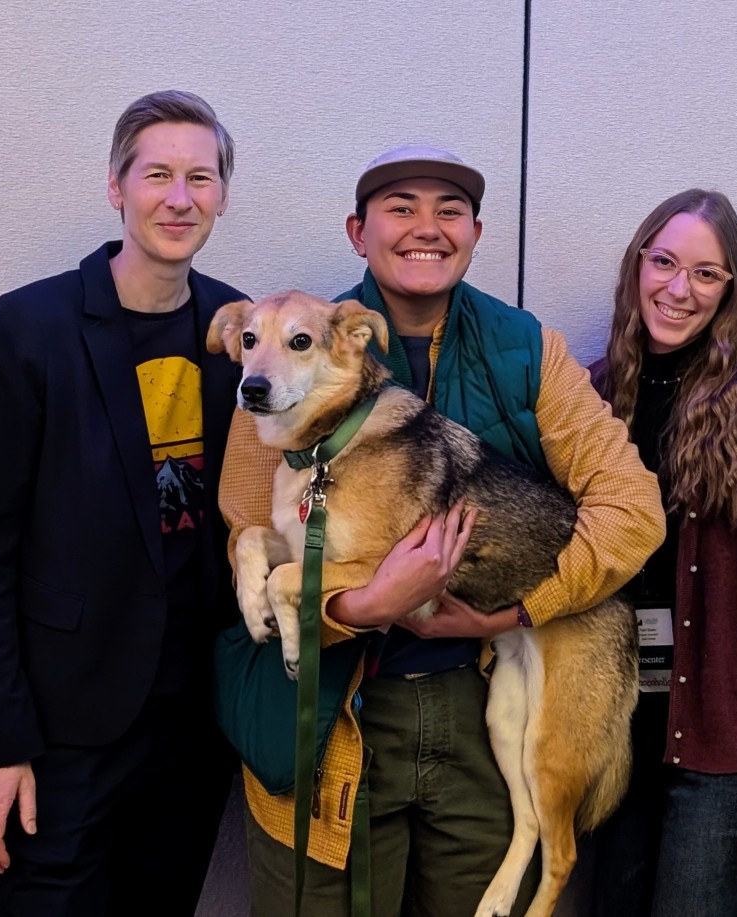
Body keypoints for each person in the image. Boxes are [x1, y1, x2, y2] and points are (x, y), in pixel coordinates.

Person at [216, 144, 663, 917]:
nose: (427, 227)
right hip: (339, 706)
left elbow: (633, 513)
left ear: (477, 233)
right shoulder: (286, 349)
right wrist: (363, 605)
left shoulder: (527, 350)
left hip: (478, 696)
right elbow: (247, 525)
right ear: (358, 231)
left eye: (448, 210)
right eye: (401, 208)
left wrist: (516, 611)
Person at [0, 90, 245, 916]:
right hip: (61, 730)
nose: (179, 198)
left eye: (201, 177)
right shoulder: (34, 325)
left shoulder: (235, 325)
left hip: (193, 725)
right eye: (157, 174)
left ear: (221, 193)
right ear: (116, 186)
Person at [581, 189, 737, 917]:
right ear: (637, 266)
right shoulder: (590, 398)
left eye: (706, 274)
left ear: (731, 291)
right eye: (664, 262)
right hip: (610, 735)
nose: (679, 289)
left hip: (719, 755)